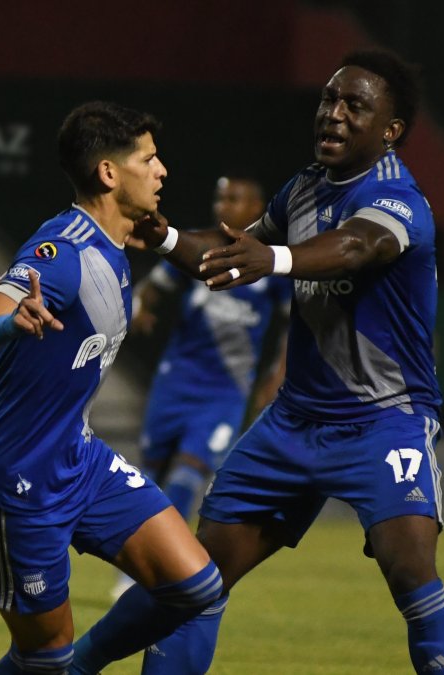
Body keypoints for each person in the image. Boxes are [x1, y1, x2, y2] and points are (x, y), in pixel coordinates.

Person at [113, 49, 444, 673]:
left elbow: (358, 245)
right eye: (328, 100)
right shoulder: (302, 189)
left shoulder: (402, 202)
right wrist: (165, 237)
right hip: (294, 422)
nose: (333, 115)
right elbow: (231, 253)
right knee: (197, 578)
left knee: (411, 573)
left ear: (390, 131)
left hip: (382, 420)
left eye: (354, 106)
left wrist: (275, 259)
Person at [0, 101, 222, 674]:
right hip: (14, 475)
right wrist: (6, 322)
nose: (162, 170)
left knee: (196, 586)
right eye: (148, 159)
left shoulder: (116, 241)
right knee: (42, 659)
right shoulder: (64, 253)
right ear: (108, 174)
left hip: (79, 458)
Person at [111, 174, 293, 600]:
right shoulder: (198, 251)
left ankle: (161, 568)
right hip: (175, 383)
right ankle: (133, 564)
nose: (222, 205)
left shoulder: (269, 265)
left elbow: (294, 328)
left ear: (256, 207)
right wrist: (139, 307)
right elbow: (152, 289)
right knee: (150, 476)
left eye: (233, 198)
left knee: (189, 474)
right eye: (219, 196)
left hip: (224, 393)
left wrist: (278, 375)